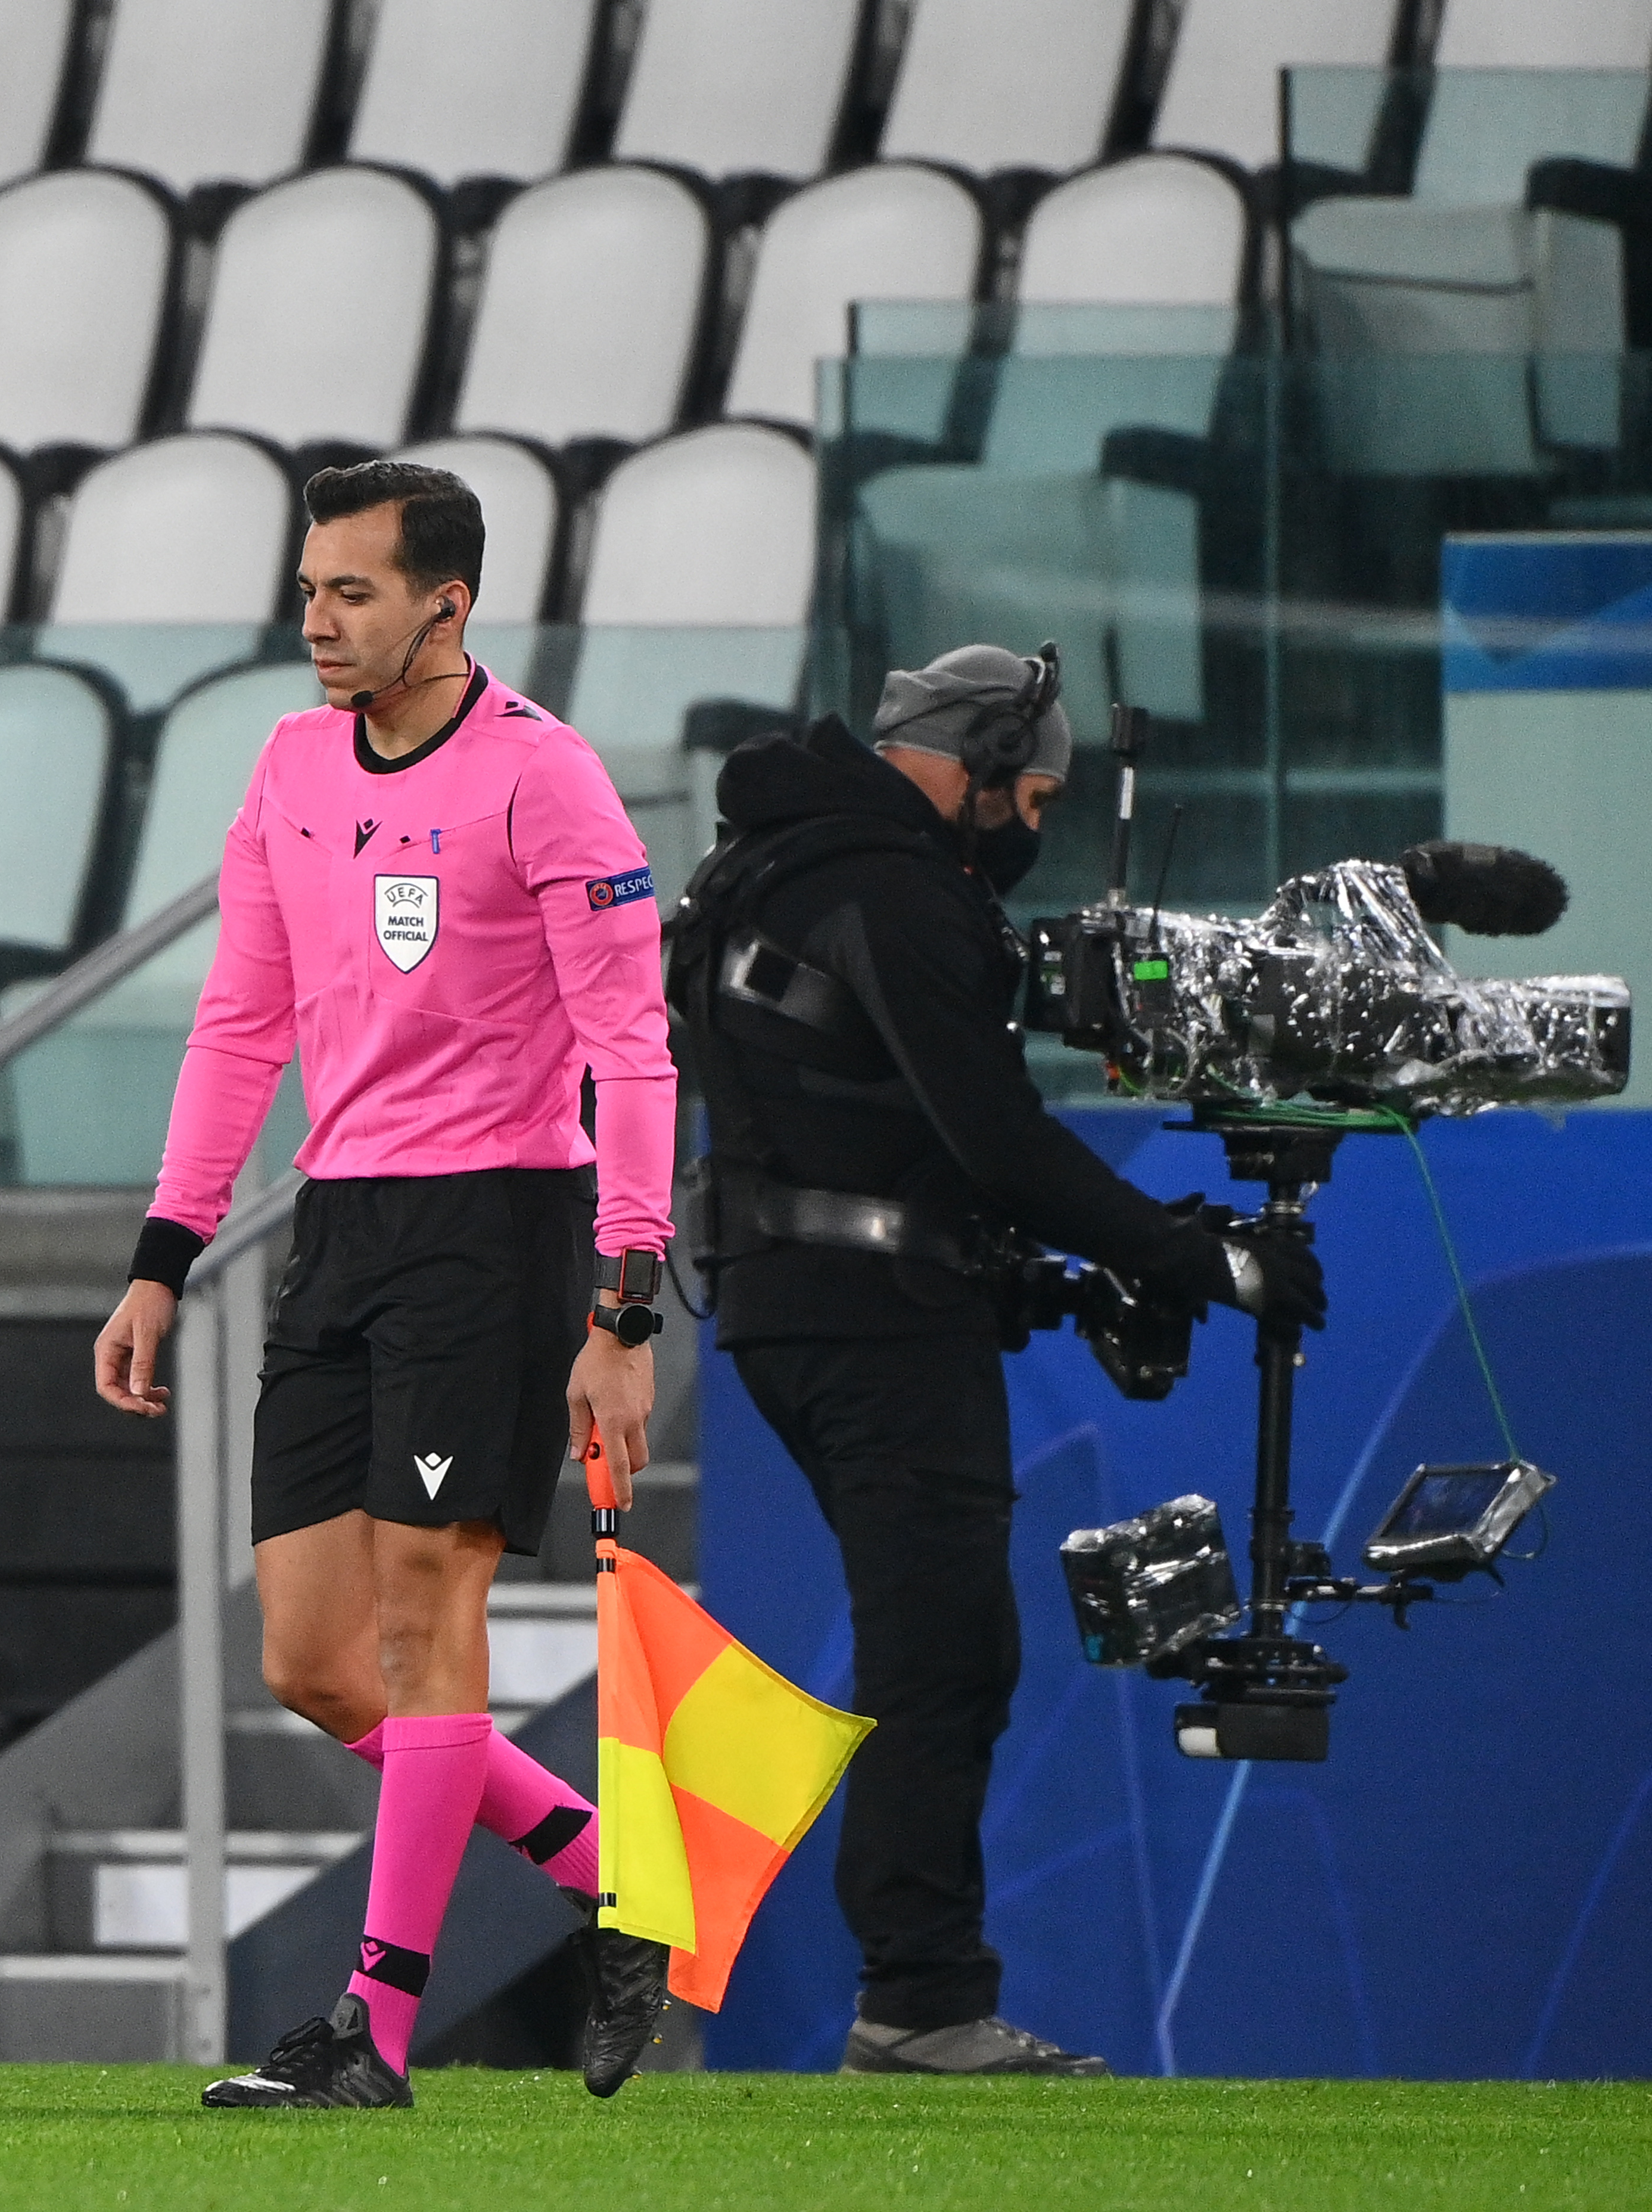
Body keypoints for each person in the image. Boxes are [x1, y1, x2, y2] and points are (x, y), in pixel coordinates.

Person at [92, 461, 683, 2108]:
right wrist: (166, 1254)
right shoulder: (288, 764)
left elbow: (634, 1051)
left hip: (501, 1224)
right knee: (309, 1659)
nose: (318, 623)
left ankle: (374, 2028)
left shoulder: (548, 782)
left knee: (431, 1611)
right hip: (340, 1226)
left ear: (449, 602)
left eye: (351, 592)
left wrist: (623, 1309)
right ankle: (610, 1880)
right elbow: (238, 1022)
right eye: (309, 589)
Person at [670, 644, 1326, 2077]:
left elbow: (853, 1128)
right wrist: (1199, 1258)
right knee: (946, 1653)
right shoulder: (899, 892)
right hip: (873, 1326)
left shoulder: (764, 866)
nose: (1035, 823)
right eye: (1029, 792)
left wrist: (1031, 1276)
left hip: (794, 1306)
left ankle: (920, 1991)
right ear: (970, 774)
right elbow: (998, 1139)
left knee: (939, 1644)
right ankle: (919, 2001)